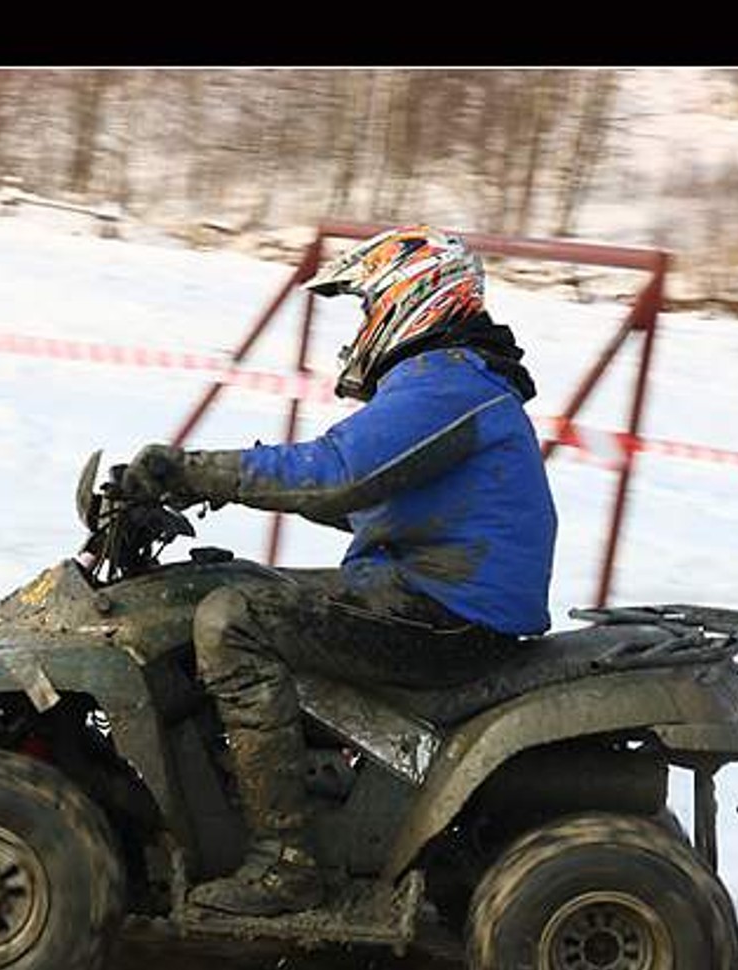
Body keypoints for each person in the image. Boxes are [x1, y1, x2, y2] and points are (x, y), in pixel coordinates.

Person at [121, 225, 558, 916]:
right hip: (436, 592)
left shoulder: (446, 382)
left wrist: (192, 472)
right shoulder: (458, 379)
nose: (360, 327)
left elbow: (336, 474)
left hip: (449, 616)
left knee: (232, 620)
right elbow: (369, 504)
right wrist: (219, 492)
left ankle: (284, 863)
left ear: (409, 297)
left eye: (364, 307)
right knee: (240, 583)